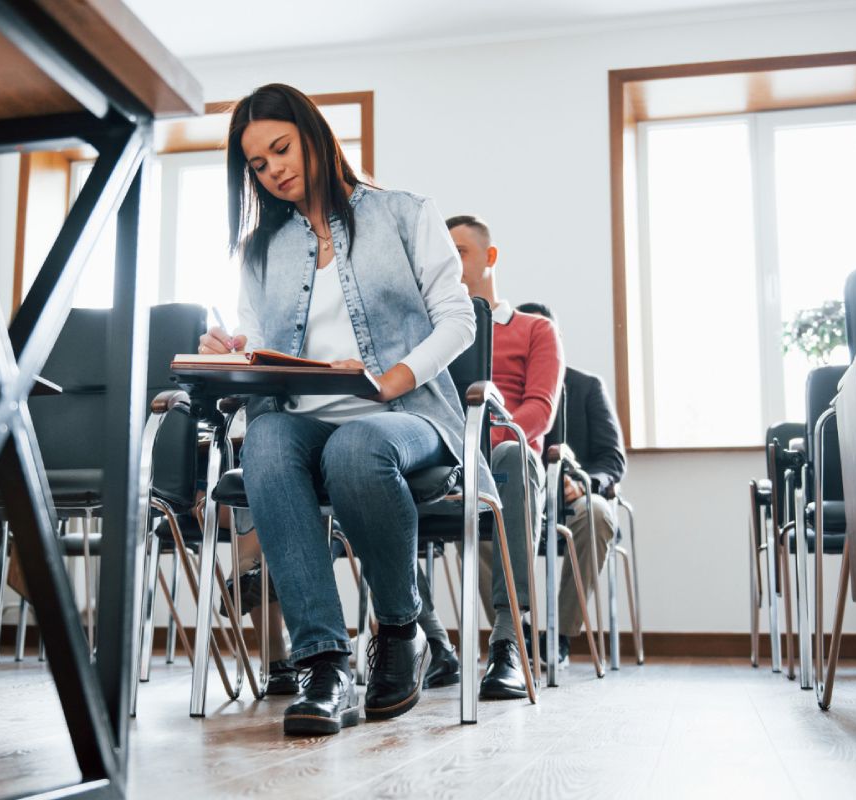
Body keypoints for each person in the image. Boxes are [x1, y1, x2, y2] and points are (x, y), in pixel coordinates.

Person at [200, 84, 486, 736]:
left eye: (281, 148)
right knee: (267, 441)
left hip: (406, 414)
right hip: (301, 419)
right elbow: (257, 347)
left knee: (354, 446)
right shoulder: (259, 251)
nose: (274, 169)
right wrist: (232, 352)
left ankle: (399, 626)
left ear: (314, 134)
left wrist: (393, 380)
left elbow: (457, 320)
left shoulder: (407, 214)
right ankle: (324, 664)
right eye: (258, 165)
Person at [447, 215, 564, 699]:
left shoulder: (536, 330)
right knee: (373, 459)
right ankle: (429, 638)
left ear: (490, 258)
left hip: (510, 459)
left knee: (512, 455)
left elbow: (538, 410)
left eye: (461, 252)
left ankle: (509, 639)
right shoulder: (433, 333)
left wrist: (483, 444)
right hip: (449, 458)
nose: (449, 263)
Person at [518, 302, 627, 667]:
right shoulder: (503, 391)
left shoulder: (587, 387)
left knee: (597, 513)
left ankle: (559, 635)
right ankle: (515, 632)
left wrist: (584, 484)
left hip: (576, 501)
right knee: (484, 511)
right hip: (520, 497)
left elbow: (613, 459)